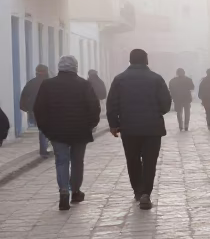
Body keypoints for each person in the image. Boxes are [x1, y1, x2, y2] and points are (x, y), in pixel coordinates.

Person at [33, 56, 100, 210]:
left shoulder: (48, 84)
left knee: (61, 161)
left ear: (59, 67)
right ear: (75, 67)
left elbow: (39, 109)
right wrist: (91, 125)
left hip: (57, 131)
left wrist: (46, 129)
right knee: (77, 161)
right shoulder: (84, 84)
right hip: (80, 130)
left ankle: (64, 190)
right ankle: (75, 191)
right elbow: (94, 107)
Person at [107, 49, 171, 210]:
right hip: (152, 128)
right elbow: (166, 103)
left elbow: (112, 103)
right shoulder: (156, 79)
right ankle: (146, 194)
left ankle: (138, 190)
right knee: (150, 161)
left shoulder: (119, 79)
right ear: (146, 60)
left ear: (130, 61)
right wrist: (156, 113)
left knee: (133, 160)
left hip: (129, 128)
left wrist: (114, 124)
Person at [19, 64, 50, 156]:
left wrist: (25, 107)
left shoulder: (31, 83)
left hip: (35, 110)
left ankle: (44, 149)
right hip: (47, 110)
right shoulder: (49, 82)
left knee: (42, 129)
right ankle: (44, 150)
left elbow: (24, 96)